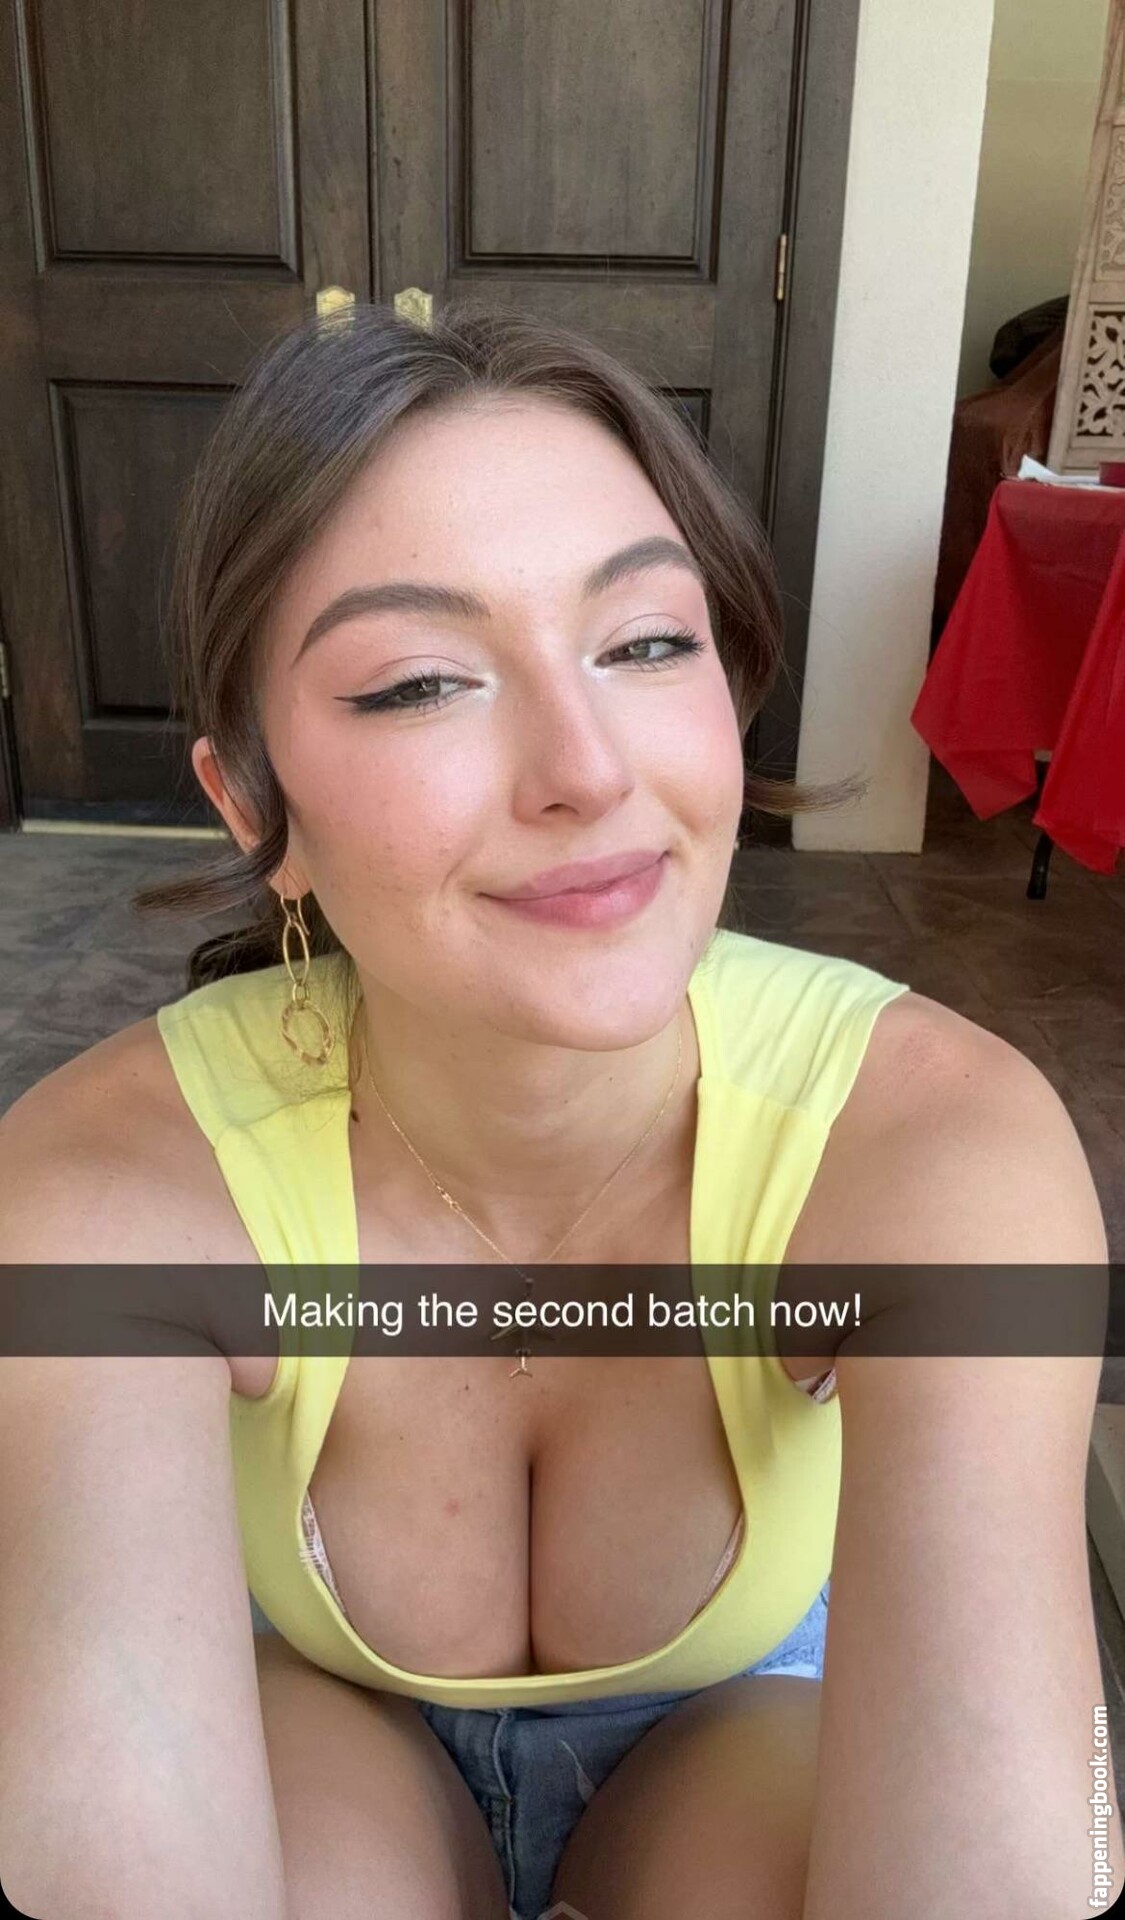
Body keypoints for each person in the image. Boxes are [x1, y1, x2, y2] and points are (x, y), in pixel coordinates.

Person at [0, 301, 1118, 1920]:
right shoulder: (106, 1188)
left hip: (744, 1742)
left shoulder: (934, 1152)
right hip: (324, 1742)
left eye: (645, 644)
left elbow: (1013, 1865)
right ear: (254, 809)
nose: (586, 770)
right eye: (419, 683)